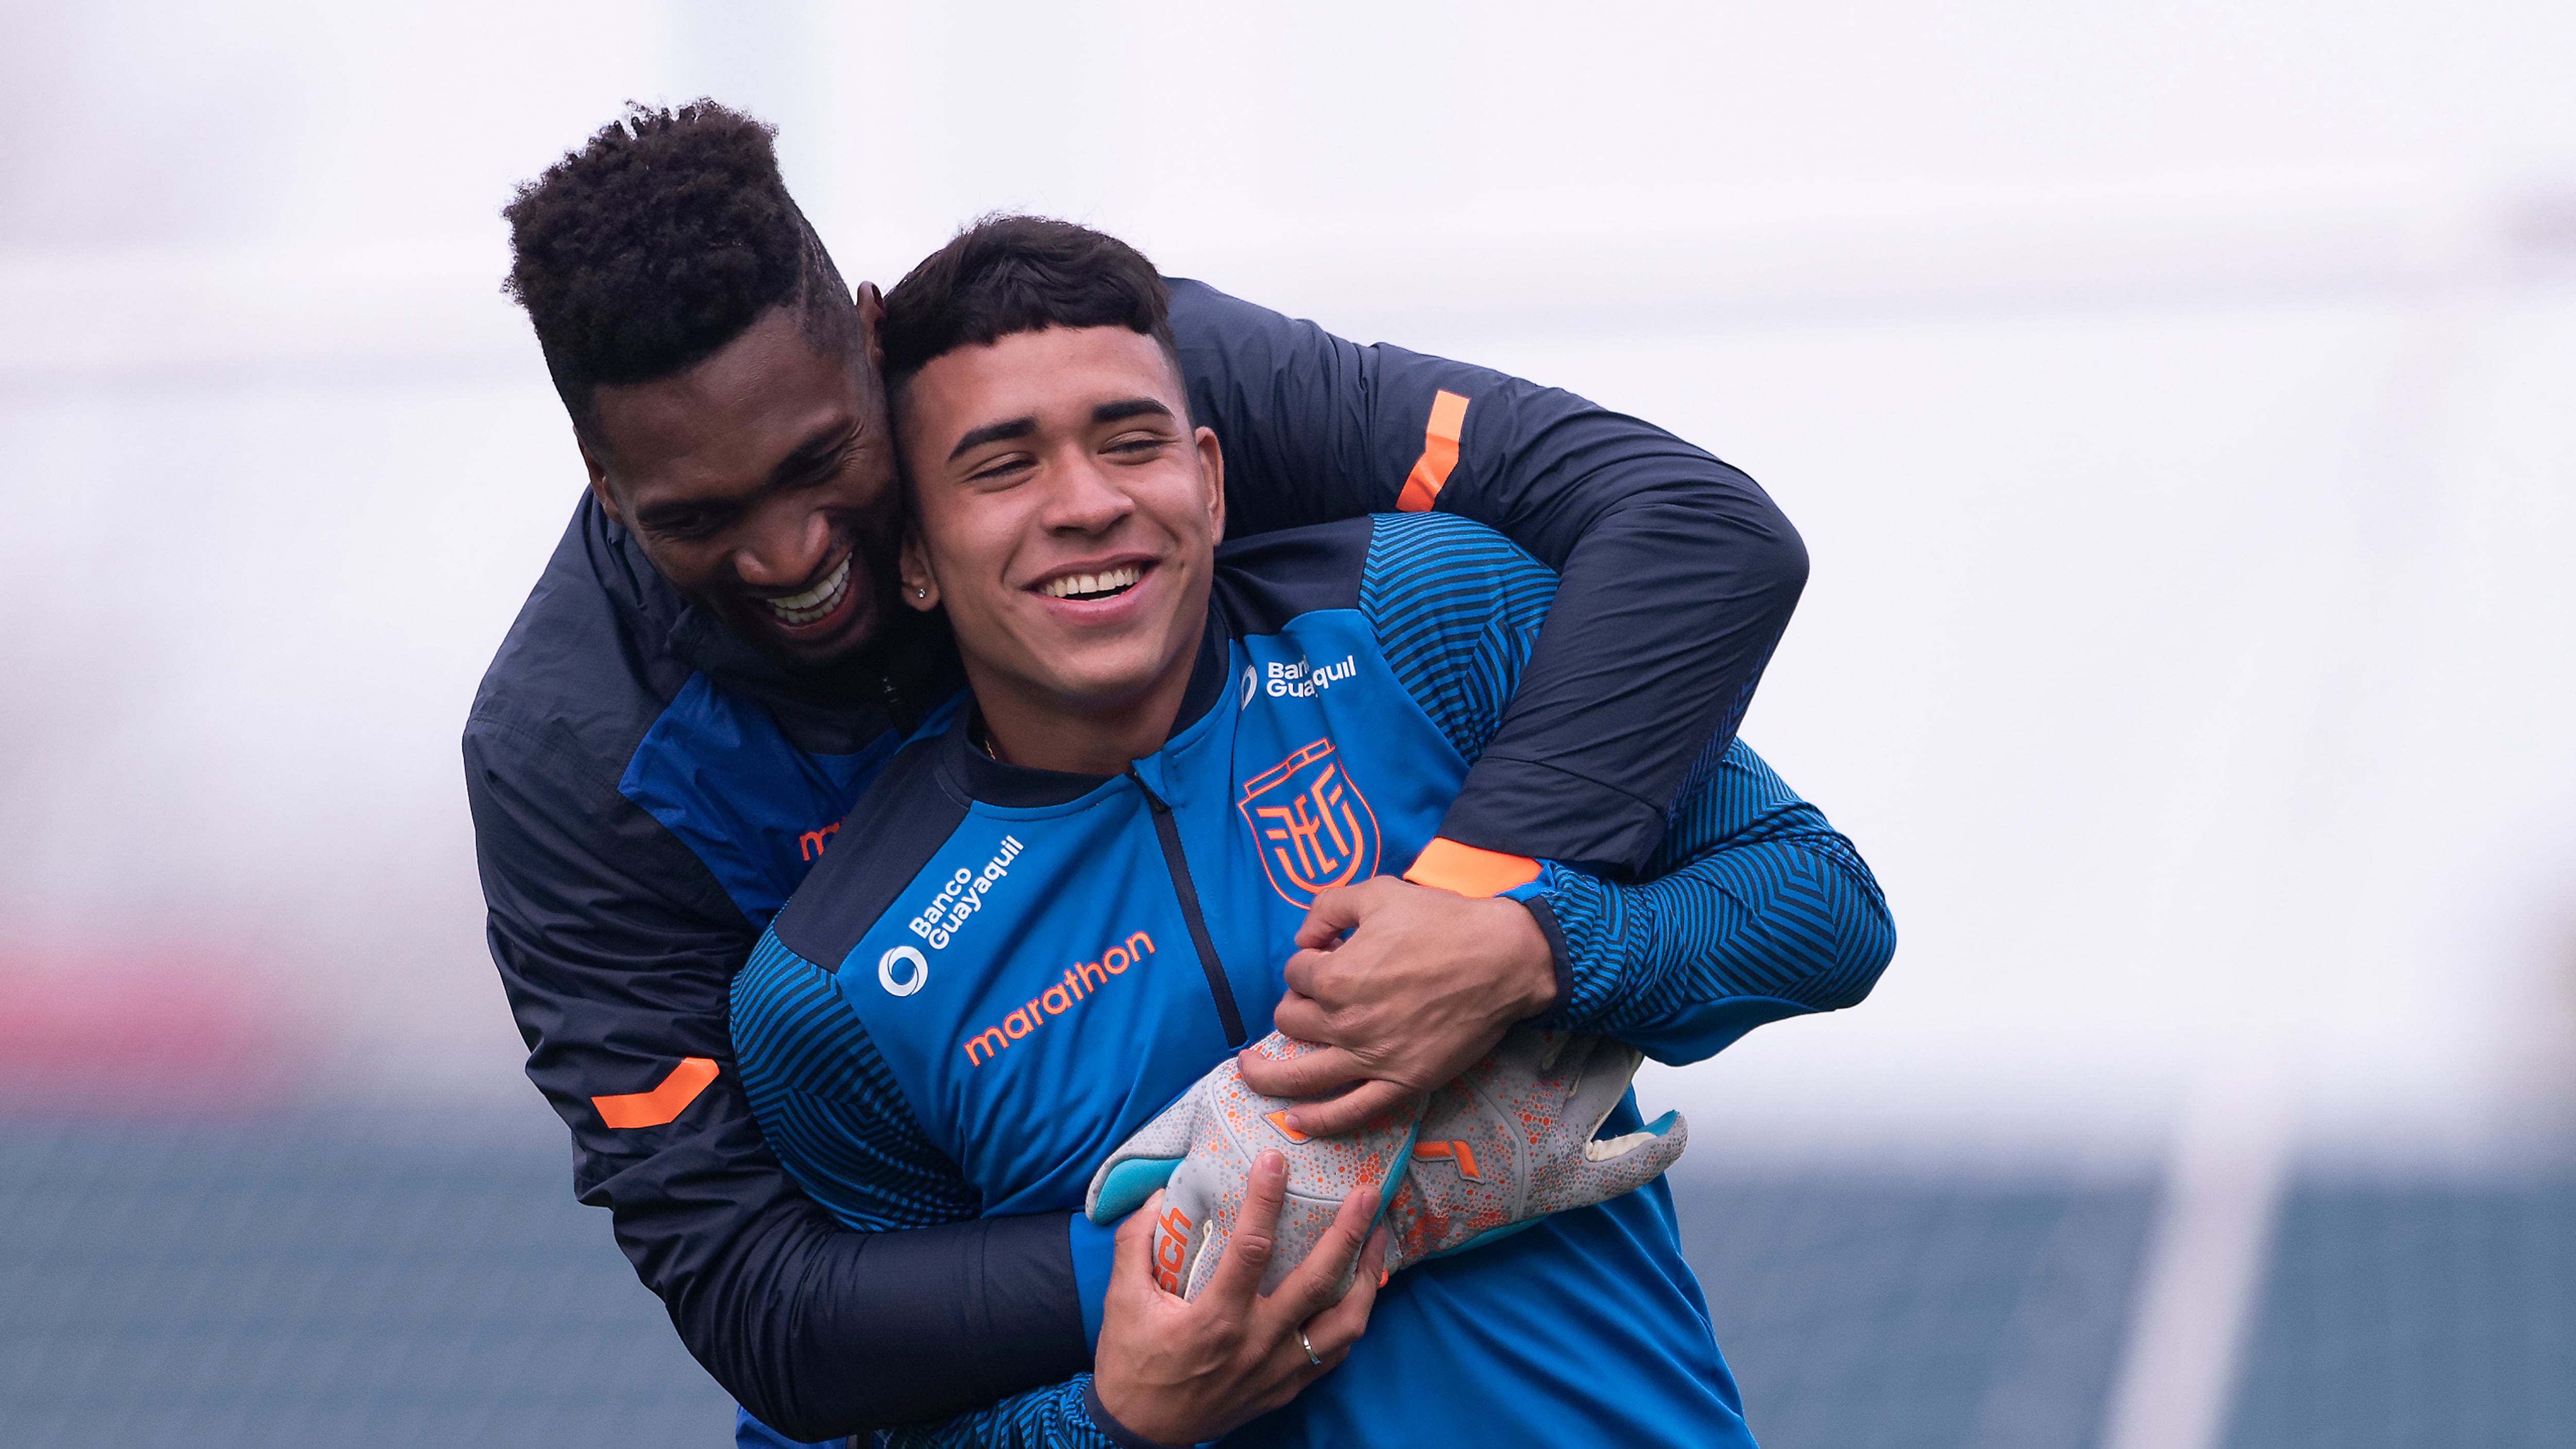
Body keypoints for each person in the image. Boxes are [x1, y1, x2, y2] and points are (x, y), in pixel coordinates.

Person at [465, 103, 1812, 1445]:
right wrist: (1243, 1221)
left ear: (870, 340)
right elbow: (769, 1306)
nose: (789, 552)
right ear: (602, 477)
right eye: (699, 519)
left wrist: (1481, 919)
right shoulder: (571, 760)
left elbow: (1693, 531)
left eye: (823, 461)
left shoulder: (1111, 387)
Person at [726, 215, 1894, 1448]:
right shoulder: (832, 987)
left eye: (1133, 442)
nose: (1087, 504)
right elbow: (874, 1423)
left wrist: (1532, 952)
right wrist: (1114, 1421)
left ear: (1212, 481)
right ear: (913, 555)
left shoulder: (1427, 616)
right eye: (1002, 467)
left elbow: (1825, 908)